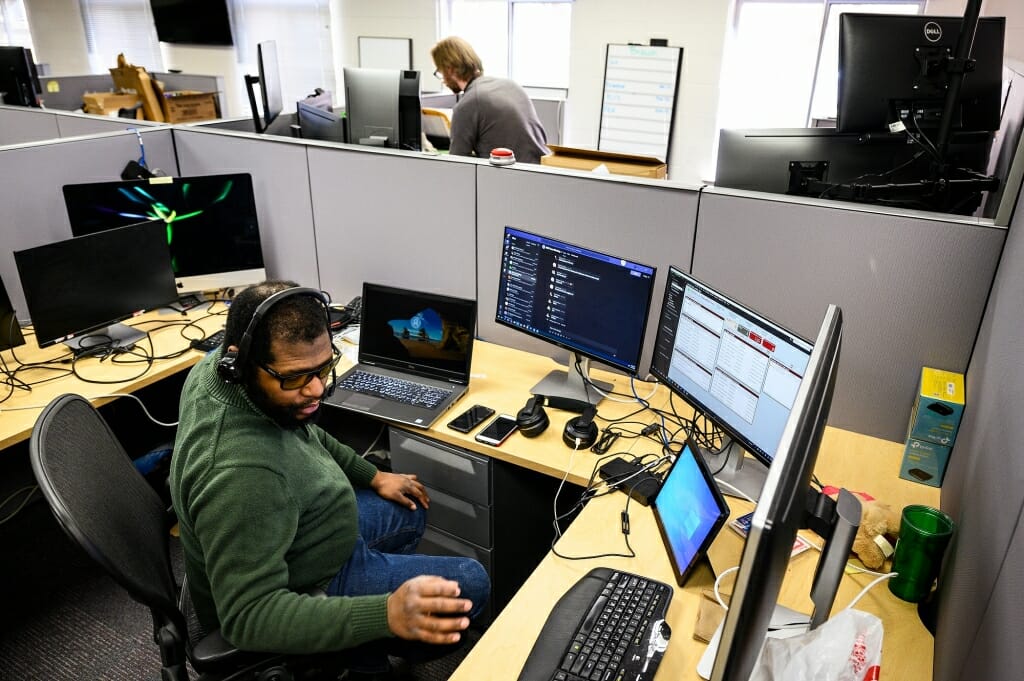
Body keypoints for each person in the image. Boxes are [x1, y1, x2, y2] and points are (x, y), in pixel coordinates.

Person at [169, 280, 489, 675]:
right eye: (296, 377)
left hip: (300, 530)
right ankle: (354, 646)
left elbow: (304, 430)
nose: (318, 389)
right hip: (296, 581)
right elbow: (247, 618)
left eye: (323, 368)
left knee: (409, 507)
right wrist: (384, 615)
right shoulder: (241, 477)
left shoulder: (222, 374)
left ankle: (361, 627)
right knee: (471, 583)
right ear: (240, 362)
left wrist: (372, 476)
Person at [431, 36, 551, 164]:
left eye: (440, 72)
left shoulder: (468, 104)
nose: (443, 79)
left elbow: (457, 164)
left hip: (512, 178)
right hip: (543, 171)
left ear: (450, 69)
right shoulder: (511, 85)